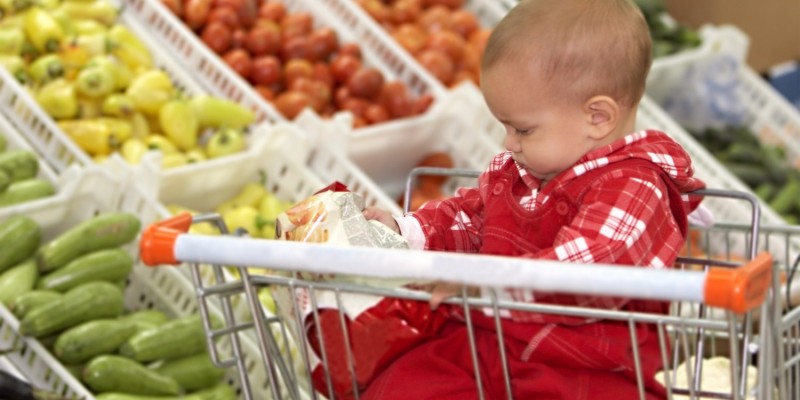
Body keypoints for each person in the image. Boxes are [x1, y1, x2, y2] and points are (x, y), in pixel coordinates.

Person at [361, 0, 707, 399]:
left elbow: (591, 266)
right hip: (492, 339)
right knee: (404, 381)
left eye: (522, 129)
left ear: (597, 117)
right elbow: (472, 218)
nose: (508, 143)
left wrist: (487, 284)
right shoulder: (522, 171)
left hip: (584, 369)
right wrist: (406, 233)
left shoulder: (636, 185)